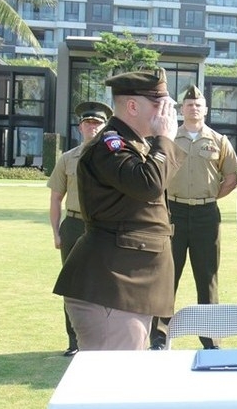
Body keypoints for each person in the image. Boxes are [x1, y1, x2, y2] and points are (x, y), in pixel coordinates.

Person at [53, 68, 185, 351]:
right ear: (133, 105)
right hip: (112, 289)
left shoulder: (133, 144)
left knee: (123, 384)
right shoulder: (109, 145)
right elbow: (147, 184)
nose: (167, 113)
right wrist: (165, 140)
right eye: (159, 104)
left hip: (126, 287)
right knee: (112, 386)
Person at [150, 85, 237, 350]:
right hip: (173, 212)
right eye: (189, 104)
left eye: (198, 105)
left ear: (205, 110)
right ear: (182, 109)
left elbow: (231, 178)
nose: (193, 108)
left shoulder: (219, 140)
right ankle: (159, 336)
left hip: (206, 214)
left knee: (207, 278)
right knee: (167, 275)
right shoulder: (168, 138)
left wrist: (208, 196)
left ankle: (211, 339)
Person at [47, 101, 112, 356]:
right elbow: (55, 198)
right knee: (72, 285)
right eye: (88, 123)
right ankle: (74, 341)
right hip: (74, 224)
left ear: (105, 127)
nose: (92, 127)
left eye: (97, 123)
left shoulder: (113, 157)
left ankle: (104, 339)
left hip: (104, 225)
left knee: (106, 284)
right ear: (79, 127)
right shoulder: (67, 159)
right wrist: (55, 231)